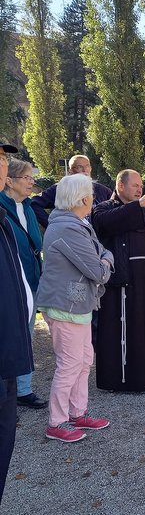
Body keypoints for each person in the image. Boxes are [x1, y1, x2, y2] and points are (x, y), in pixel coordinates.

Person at [36, 174, 114, 443]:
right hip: (65, 305)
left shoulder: (77, 223)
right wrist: (105, 263)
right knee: (69, 364)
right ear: (83, 198)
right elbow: (97, 269)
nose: (94, 199)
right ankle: (56, 422)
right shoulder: (67, 228)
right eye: (91, 195)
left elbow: (102, 251)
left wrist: (104, 258)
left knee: (83, 361)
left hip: (78, 305)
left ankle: (76, 413)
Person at [92, 170, 145, 392]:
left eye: (141, 185)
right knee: (131, 327)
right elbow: (104, 223)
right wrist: (135, 207)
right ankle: (129, 379)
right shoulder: (104, 207)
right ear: (120, 185)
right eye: (135, 185)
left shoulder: (144, 210)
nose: (140, 189)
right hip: (125, 280)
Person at [0, 142, 34, 504]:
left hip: (8, 353)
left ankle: (22, 386)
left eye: (4, 159)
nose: (3, 166)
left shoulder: (10, 215)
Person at [0, 158, 46, 409]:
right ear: (9, 180)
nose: (31, 182)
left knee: (26, 337)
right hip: (10, 284)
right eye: (26, 178)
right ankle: (6, 396)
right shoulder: (1, 207)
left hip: (31, 280)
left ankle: (23, 390)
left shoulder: (27, 206)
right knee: (7, 338)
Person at [31, 154, 112, 229]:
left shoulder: (102, 190)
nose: (84, 170)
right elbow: (34, 203)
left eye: (87, 166)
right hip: (70, 235)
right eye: (79, 167)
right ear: (70, 171)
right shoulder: (60, 188)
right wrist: (51, 224)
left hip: (97, 240)